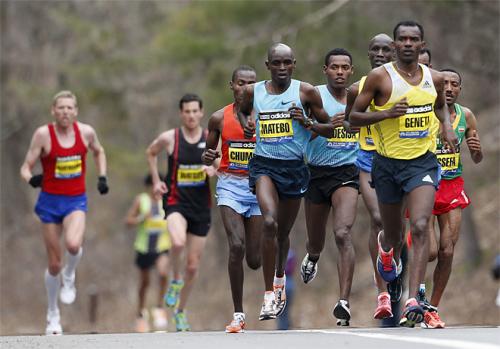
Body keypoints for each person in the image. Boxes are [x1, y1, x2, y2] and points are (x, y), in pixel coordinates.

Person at [350, 20, 457, 327]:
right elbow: (353, 119)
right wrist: (386, 114)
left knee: (421, 225)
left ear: (422, 45)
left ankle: (413, 299)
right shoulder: (379, 78)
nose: (408, 44)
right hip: (386, 164)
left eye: (414, 39)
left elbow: (440, 108)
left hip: (421, 162)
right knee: (393, 233)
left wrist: (447, 128)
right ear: (395, 45)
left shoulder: (434, 78)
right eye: (403, 39)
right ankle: (386, 251)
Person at [238, 43, 330, 320]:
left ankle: (279, 279)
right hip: (264, 165)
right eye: (276, 63)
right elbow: (241, 111)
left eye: (286, 63)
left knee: (281, 234)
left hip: (294, 169)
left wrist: (306, 121)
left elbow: (327, 126)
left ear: (293, 64)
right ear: (267, 65)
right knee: (269, 222)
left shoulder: (306, 92)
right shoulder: (253, 92)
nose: (281, 68)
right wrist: (246, 124)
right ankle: (268, 295)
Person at [20, 90, 109, 335]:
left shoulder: (86, 132)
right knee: (53, 263)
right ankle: (52, 314)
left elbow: (99, 151)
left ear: (76, 111)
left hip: (75, 201)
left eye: (69, 108)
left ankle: (70, 275)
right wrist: (32, 180)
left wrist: (102, 177)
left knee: (72, 245)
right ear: (53, 111)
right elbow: (25, 167)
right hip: (49, 203)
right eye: (61, 108)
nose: (65, 112)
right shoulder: (43, 135)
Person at [146, 94, 216, 331]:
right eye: (187, 111)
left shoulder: (210, 138)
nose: (191, 116)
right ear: (181, 114)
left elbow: (220, 162)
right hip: (176, 202)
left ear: (202, 112)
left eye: (195, 111)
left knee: (193, 266)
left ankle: (180, 311)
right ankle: (175, 280)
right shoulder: (170, 138)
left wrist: (212, 168)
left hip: (201, 207)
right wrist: (156, 181)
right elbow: (150, 152)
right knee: (176, 243)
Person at [202, 65, 264, 333]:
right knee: (236, 246)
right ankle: (238, 313)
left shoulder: (266, 115)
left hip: (260, 187)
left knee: (254, 259)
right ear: (232, 86)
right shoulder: (218, 118)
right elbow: (209, 151)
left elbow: (282, 145)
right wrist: (208, 157)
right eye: (241, 83)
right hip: (230, 186)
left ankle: (274, 285)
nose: (246, 88)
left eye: (251, 83)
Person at [300, 48, 359, 326]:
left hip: (347, 172)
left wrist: (353, 126)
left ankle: (343, 301)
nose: (339, 71)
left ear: (351, 71)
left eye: (344, 67)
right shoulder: (314, 96)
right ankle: (312, 256)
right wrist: (323, 124)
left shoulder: (359, 98)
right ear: (325, 70)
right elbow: (301, 131)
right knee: (316, 241)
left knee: (343, 232)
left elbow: (368, 127)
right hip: (316, 173)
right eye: (334, 67)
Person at [420, 68, 483, 328]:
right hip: (424, 185)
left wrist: (476, 151)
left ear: (460, 88)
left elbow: (477, 157)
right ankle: (414, 290)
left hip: (452, 185)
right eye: (443, 83)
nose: (448, 87)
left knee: (447, 250)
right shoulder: (424, 112)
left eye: (454, 84)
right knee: (431, 252)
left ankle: (432, 308)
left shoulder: (466, 116)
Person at [345, 33, 397, 321]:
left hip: (400, 161)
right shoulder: (357, 88)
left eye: (385, 49)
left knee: (396, 225)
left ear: (394, 52)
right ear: (368, 53)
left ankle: (392, 263)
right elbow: (350, 120)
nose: (380, 53)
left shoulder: (404, 84)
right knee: (378, 219)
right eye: (375, 48)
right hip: (367, 160)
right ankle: (383, 293)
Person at [125, 173, 171, 333]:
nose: (155, 188)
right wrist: (141, 218)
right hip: (144, 247)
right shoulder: (141, 200)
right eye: (152, 184)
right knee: (145, 283)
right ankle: (141, 313)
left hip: (162, 246)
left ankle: (159, 308)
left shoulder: (167, 200)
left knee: (163, 272)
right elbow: (128, 221)